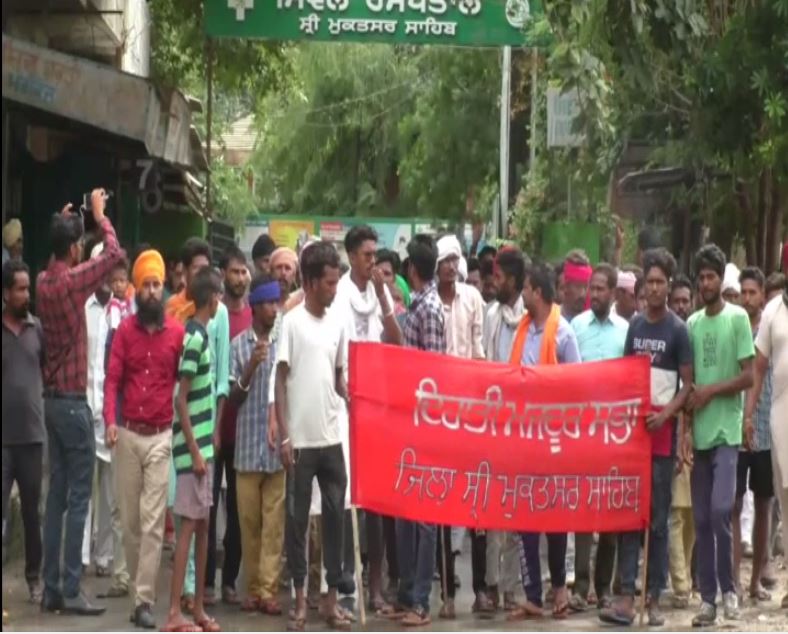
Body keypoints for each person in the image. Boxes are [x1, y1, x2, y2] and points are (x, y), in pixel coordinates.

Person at [36, 189, 121, 616]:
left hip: (49, 401)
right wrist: (100, 216)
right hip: (72, 403)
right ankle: (72, 587)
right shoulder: (73, 281)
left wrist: (68, 222)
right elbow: (115, 254)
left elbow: (67, 252)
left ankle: (52, 587)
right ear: (74, 248)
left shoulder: (43, 281)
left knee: (56, 498)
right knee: (78, 498)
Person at [601, 248, 693, 626]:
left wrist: (666, 415)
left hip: (662, 441)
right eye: (649, 282)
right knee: (628, 516)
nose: (654, 288)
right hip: (633, 440)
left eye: (660, 282)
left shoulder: (678, 330)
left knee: (657, 520)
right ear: (641, 288)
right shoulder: (635, 327)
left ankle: (652, 597)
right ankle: (625, 594)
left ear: (668, 286)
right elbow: (625, 375)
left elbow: (688, 386)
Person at [104, 250, 185, 629]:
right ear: (137, 290)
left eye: (157, 284)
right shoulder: (124, 332)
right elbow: (112, 380)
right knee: (132, 524)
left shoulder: (177, 334)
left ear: (163, 288)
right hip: (128, 435)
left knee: (154, 522)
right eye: (147, 285)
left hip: (160, 437)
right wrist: (109, 421)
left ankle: (143, 601)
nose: (153, 291)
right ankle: (140, 587)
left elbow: (187, 382)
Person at [275, 242, 351, 632]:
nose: (334, 289)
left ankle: (331, 600)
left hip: (332, 438)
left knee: (336, 520)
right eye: (328, 282)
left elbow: (339, 374)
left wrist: (348, 391)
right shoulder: (291, 323)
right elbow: (281, 380)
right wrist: (284, 435)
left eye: (337, 282)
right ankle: (300, 600)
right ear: (309, 282)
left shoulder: (338, 323)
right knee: (297, 521)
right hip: (301, 443)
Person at [333, 226, 402, 615]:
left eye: (375, 254)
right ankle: (346, 586)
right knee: (345, 502)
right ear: (350, 256)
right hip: (343, 406)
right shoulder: (338, 293)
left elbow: (396, 341)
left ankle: (375, 587)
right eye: (365, 254)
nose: (371, 261)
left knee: (374, 503)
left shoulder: (377, 295)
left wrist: (382, 297)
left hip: (375, 408)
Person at [507, 262, 580, 621]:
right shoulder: (522, 331)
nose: (521, 294)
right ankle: (533, 595)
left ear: (537, 292)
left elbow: (576, 385)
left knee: (555, 518)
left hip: (553, 439)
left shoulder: (563, 333)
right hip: (523, 439)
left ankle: (560, 591)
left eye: (524, 289)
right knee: (526, 519)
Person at [686, 244, 754, 626]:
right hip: (699, 434)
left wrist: (711, 392)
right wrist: (683, 431)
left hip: (727, 431)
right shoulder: (693, 324)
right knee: (701, 518)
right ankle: (707, 600)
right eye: (702, 277)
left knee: (719, 510)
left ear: (720, 279)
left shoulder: (738, 319)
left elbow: (748, 375)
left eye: (712, 276)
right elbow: (688, 384)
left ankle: (730, 590)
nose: (706, 283)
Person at [164, 268, 223, 633]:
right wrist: (196, 452)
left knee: (202, 528)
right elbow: (180, 400)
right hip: (193, 454)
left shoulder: (198, 335)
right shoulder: (195, 340)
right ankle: (175, 611)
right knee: (188, 529)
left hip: (202, 451)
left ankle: (197, 607)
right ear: (213, 298)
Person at [569, 263, 629, 613]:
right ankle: (579, 586)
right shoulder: (575, 327)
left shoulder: (625, 329)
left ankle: (604, 588)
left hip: (614, 434)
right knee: (581, 510)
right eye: (592, 289)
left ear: (613, 292)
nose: (595, 295)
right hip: (581, 432)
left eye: (602, 290)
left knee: (608, 513)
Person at [393, 234, 445, 628]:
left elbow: (433, 370)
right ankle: (407, 591)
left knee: (425, 516)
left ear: (412, 269)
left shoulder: (428, 310)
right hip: (408, 422)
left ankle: (421, 600)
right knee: (406, 510)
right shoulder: (418, 305)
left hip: (423, 423)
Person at [433, 235, 486, 619]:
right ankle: (447, 592)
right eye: (444, 260)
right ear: (435, 267)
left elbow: (480, 352)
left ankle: (480, 588)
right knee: (441, 504)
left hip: (473, 411)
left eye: (455, 259)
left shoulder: (473, 299)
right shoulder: (429, 304)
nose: (451, 265)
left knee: (477, 501)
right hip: (438, 414)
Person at [228, 275, 283, 615]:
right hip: (247, 449)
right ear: (254, 307)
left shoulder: (284, 342)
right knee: (248, 524)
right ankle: (251, 587)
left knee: (274, 527)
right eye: (266, 303)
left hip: (276, 449)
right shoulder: (237, 346)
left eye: (276, 303)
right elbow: (233, 399)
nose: (272, 310)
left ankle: (268, 590)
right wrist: (250, 368)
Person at [479, 248, 527, 615]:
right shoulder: (491, 314)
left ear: (513, 279)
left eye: (499, 277)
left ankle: (512, 587)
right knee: (492, 510)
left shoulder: (530, 315)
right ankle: (492, 585)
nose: (494, 282)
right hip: (493, 423)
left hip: (523, 427)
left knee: (517, 511)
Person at [205, 246, 252, 606]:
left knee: (238, 512)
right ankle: (206, 580)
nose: (240, 278)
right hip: (211, 429)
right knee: (206, 507)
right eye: (234, 272)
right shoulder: (214, 317)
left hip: (246, 434)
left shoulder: (256, 318)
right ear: (222, 275)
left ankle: (230, 580)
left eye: (244, 272)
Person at [82, 259, 128, 597]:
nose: (111, 281)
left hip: (112, 414)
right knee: (83, 491)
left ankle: (105, 556)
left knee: (111, 494)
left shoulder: (126, 314)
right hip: (85, 409)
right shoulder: (83, 309)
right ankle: (81, 556)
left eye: (116, 276)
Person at [2, 260, 45, 604]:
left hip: (32, 438)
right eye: (20, 289)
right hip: (2, 440)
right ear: (5, 293)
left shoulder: (37, 329)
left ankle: (34, 578)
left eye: (28, 288)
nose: (26, 294)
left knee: (33, 514)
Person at [745, 284, 788, 610]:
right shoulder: (773, 311)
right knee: (785, 501)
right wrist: (748, 415)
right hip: (780, 420)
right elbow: (758, 369)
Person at [733, 267, 773, 604]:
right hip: (734, 429)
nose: (747, 298)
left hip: (766, 430)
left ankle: (756, 580)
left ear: (762, 293)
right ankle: (731, 582)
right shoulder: (734, 325)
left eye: (752, 292)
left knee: (764, 504)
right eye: (742, 292)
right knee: (731, 505)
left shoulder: (772, 328)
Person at [666, 273, 696, 608]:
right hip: (671, 428)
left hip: (697, 429)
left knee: (691, 515)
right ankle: (680, 584)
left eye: (687, 300)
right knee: (675, 511)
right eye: (678, 301)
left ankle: (685, 575)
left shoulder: (697, 333)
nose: (682, 305)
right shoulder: (669, 334)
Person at [560, 249, 592, 322]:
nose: (583, 294)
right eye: (578, 286)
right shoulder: (552, 319)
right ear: (565, 286)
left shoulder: (592, 322)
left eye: (586, 286)